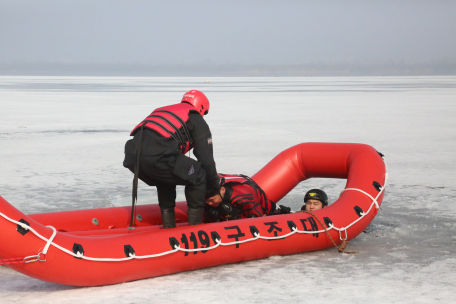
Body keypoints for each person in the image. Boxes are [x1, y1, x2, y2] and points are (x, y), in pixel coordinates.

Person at [123, 90, 219, 229]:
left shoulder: (164, 110)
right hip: (159, 156)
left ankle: (169, 228)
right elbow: (206, 160)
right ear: (202, 107)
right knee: (198, 175)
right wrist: (213, 190)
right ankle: (195, 230)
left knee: (166, 177)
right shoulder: (195, 117)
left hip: (133, 158)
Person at [204, 174, 291, 222]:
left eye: (211, 200)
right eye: (207, 201)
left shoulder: (244, 196)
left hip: (265, 212)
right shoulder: (210, 183)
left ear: (223, 190)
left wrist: (233, 218)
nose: (210, 203)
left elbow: (258, 222)